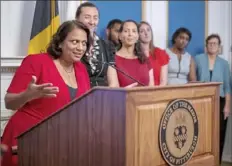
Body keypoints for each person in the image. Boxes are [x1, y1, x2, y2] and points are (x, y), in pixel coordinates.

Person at [1, 20, 91, 166]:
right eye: (74, 41)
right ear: (60, 43)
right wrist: (27, 95)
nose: (80, 48)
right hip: (26, 140)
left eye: (84, 43)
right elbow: (9, 102)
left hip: (59, 143)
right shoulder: (36, 62)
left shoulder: (81, 69)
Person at [194, 34, 231, 163]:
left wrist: (227, 106)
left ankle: (217, 161)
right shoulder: (198, 59)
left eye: (215, 43)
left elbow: (227, 87)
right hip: (201, 101)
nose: (212, 45)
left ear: (219, 46)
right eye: (210, 43)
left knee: (219, 132)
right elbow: (193, 80)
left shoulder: (224, 64)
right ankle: (201, 160)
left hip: (219, 101)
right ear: (206, 45)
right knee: (201, 131)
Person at [75, 2, 115, 87]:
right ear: (77, 19)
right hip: (79, 95)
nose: (92, 22)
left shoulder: (107, 46)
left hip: (103, 96)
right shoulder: (71, 44)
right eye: (87, 17)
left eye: (95, 18)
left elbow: (113, 82)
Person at [107, 20, 154, 87]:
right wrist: (126, 91)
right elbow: (113, 91)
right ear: (120, 36)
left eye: (134, 31)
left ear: (137, 36)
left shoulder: (145, 59)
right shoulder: (113, 60)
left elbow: (152, 88)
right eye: (126, 31)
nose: (130, 34)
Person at [138, 21, 169, 86]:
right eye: (142, 31)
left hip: (158, 92)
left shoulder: (160, 53)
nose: (146, 33)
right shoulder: (134, 55)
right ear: (137, 35)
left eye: (148, 30)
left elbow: (163, 81)